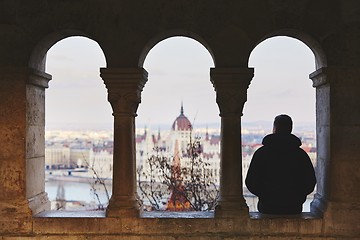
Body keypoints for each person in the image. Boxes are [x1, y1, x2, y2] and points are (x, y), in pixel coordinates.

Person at [245, 114, 316, 214]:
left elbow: (251, 182)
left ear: (274, 128)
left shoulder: (261, 153)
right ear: (290, 129)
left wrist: (265, 195)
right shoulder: (300, 155)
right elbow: (310, 182)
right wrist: (297, 197)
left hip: (267, 207)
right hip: (293, 208)